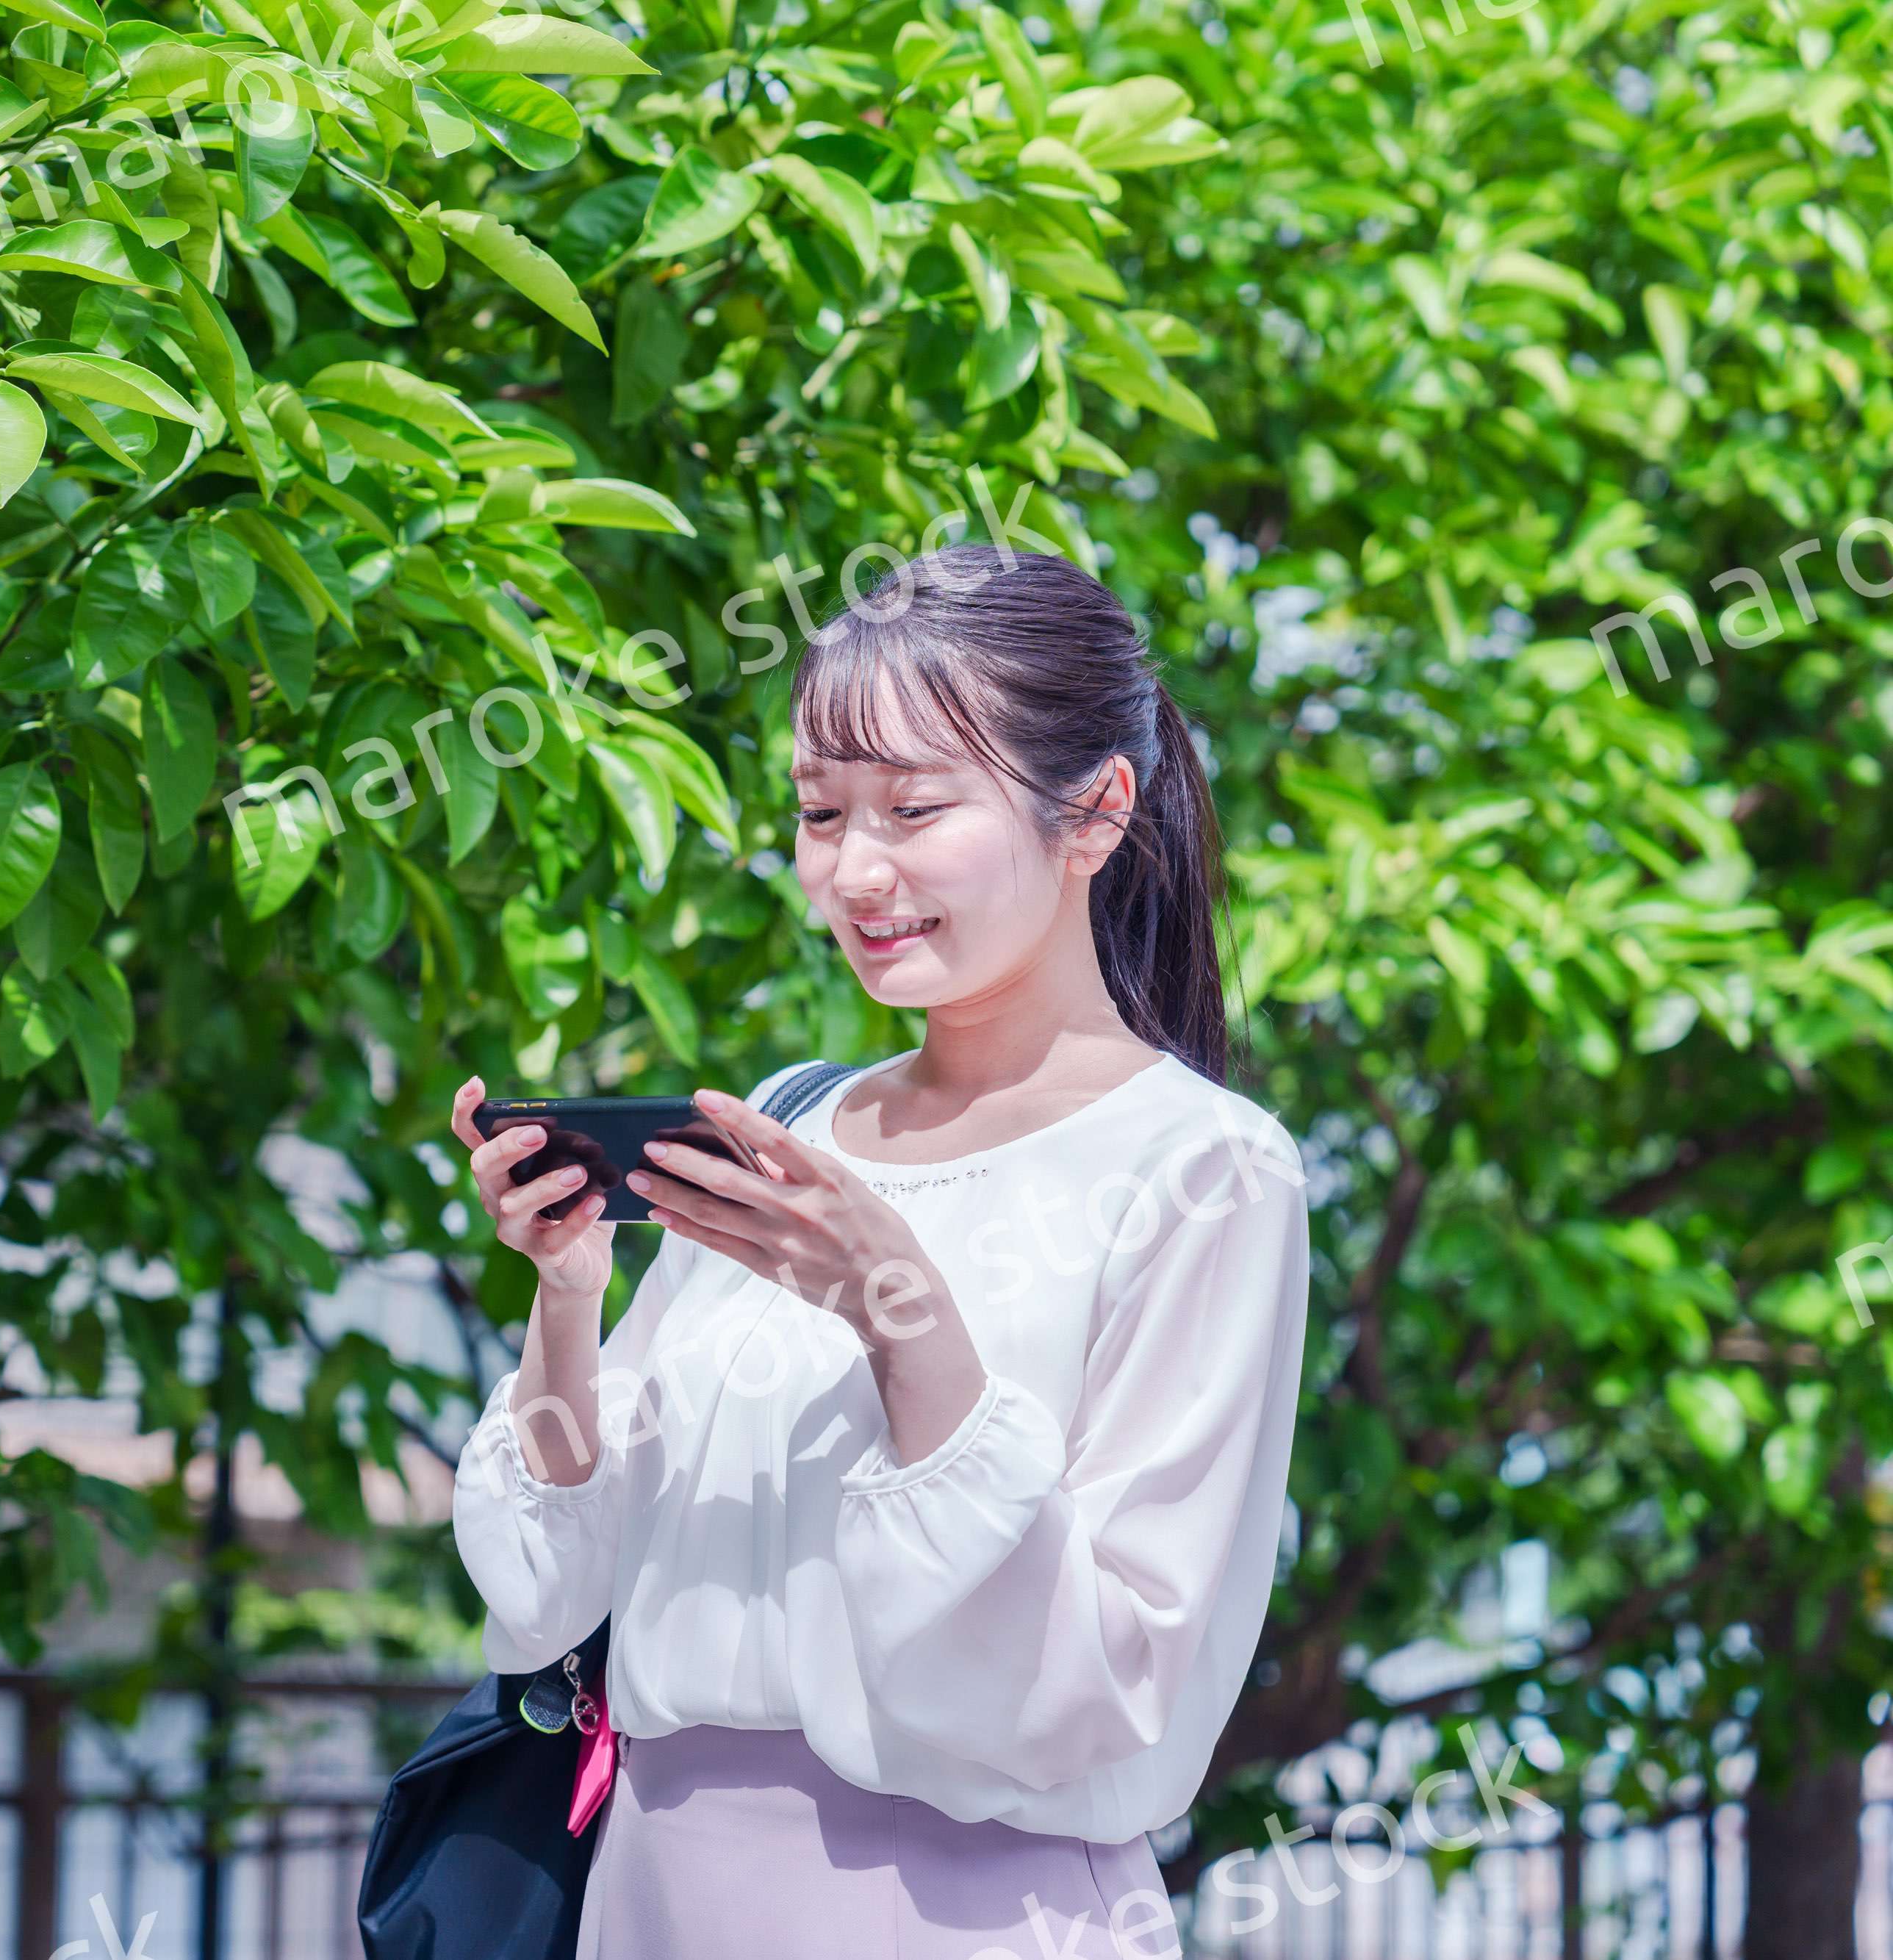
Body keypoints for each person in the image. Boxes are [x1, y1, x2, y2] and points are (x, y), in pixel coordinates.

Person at [447, 545, 1310, 1959]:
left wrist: (891, 1301)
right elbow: (554, 1589)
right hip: (652, 1901)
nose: (856, 870)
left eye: (914, 809)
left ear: (1093, 813)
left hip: (973, 1913)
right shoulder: (790, 1129)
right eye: (819, 812)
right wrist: (566, 1297)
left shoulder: (1204, 1169)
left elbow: (1119, 1678)